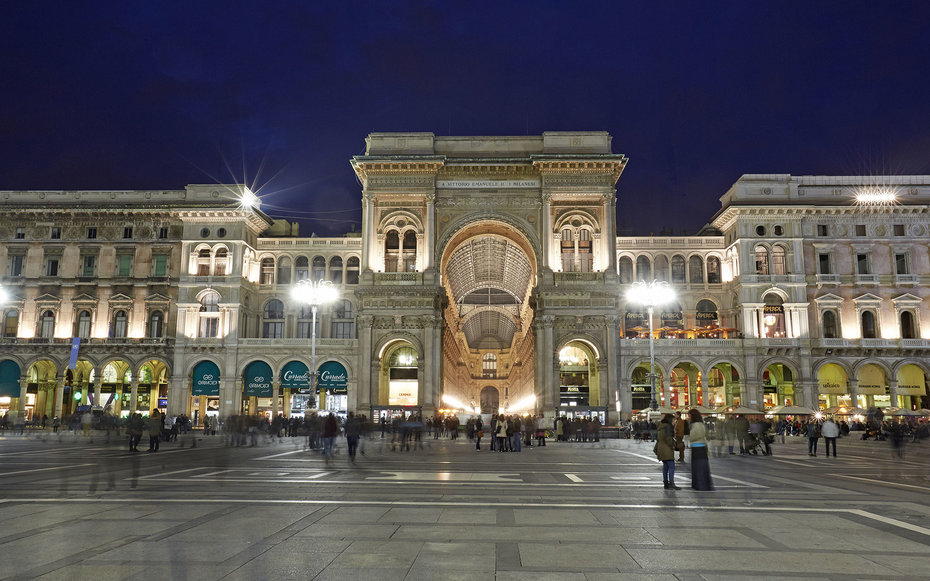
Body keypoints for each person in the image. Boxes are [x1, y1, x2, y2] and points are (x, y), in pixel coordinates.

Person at [688, 409, 714, 491]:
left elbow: (695, 436)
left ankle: (700, 485)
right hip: (700, 447)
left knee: (699, 467)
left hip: (698, 448)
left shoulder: (696, 425)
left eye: (689, 416)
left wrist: (690, 438)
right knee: (700, 467)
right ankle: (700, 484)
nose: (688, 418)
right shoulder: (700, 424)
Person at [655, 414, 680, 490]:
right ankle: (671, 483)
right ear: (670, 420)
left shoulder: (661, 426)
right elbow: (668, 439)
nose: (674, 422)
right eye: (673, 420)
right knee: (671, 466)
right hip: (667, 449)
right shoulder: (668, 427)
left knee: (665, 467)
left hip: (661, 449)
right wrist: (674, 443)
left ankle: (666, 483)